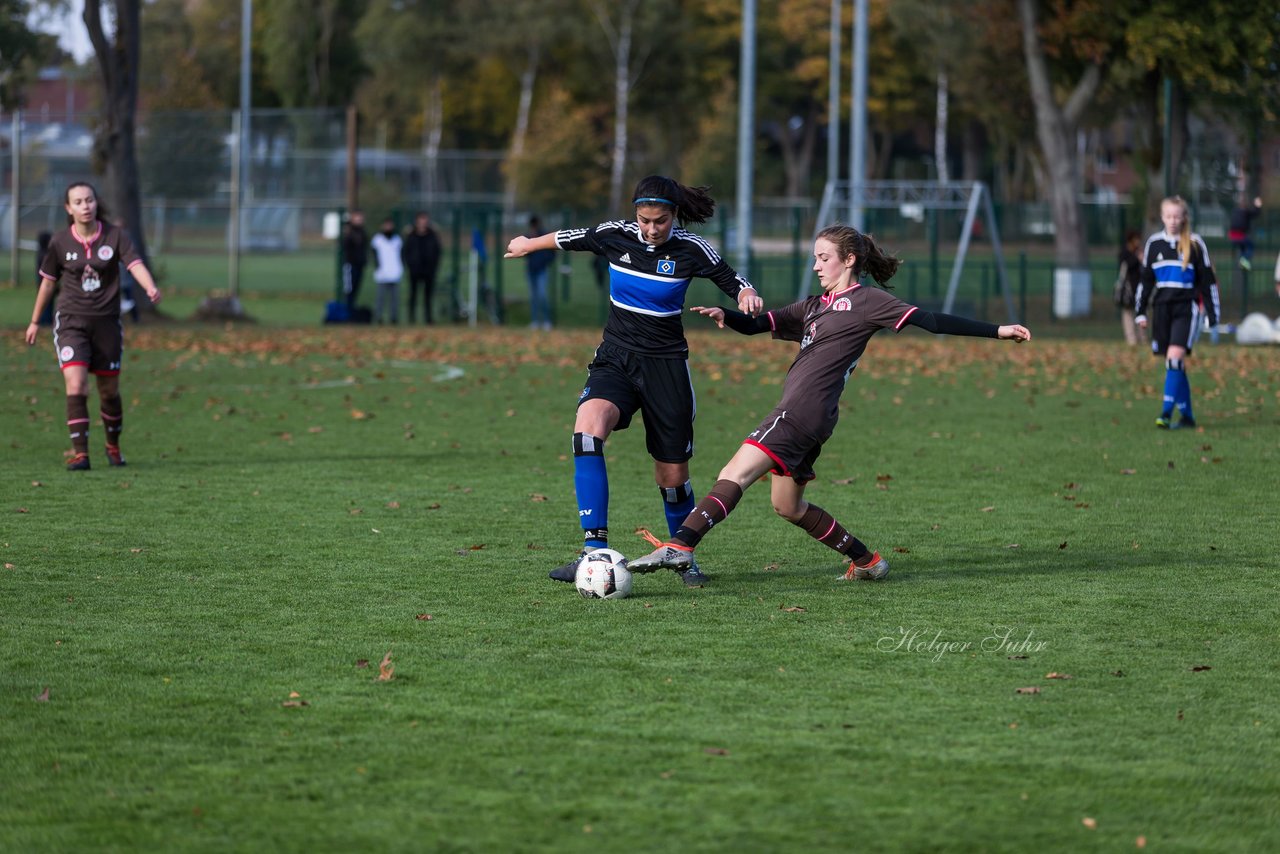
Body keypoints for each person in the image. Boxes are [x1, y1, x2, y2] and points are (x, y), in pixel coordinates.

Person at [628, 224, 1031, 585]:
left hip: (800, 410)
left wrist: (999, 330)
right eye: (815, 259)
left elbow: (932, 321)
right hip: (816, 418)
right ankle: (867, 560)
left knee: (736, 471)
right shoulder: (812, 306)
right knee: (787, 505)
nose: (817, 266)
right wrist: (726, 314)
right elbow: (759, 323)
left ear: (849, 260)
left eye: (824, 258)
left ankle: (681, 545)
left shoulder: (868, 301)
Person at [504, 175, 763, 586]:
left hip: (666, 368)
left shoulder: (691, 248)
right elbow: (568, 238)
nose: (651, 228)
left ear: (674, 216)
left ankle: (683, 555)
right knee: (587, 433)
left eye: (660, 220)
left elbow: (733, 279)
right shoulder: (615, 235)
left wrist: (746, 295)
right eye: (644, 219)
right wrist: (527, 244)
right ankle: (593, 553)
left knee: (671, 477)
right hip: (615, 359)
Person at [24, 181, 161, 470]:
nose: (85, 206)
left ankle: (113, 445)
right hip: (71, 322)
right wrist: (35, 321)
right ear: (68, 208)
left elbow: (134, 263)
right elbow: (48, 283)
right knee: (76, 384)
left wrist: (149, 287)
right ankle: (80, 454)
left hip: (107, 324)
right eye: (78, 202)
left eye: (89, 200)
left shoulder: (115, 236)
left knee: (109, 391)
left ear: (96, 203)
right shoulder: (60, 242)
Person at [1134, 196, 1220, 430]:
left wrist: (1213, 315)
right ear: (1162, 217)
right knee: (1174, 364)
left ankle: (1165, 413)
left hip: (1187, 308)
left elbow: (1207, 282)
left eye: (1177, 216)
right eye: (1169, 216)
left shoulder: (1195, 243)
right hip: (1162, 309)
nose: (1173, 221)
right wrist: (1140, 312)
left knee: (1174, 359)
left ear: (1184, 218)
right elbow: (1145, 282)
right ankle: (1188, 417)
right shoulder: (1154, 244)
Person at [402, 212, 442, 324]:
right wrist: (410, 265)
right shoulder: (411, 236)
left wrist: (434, 266)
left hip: (429, 270)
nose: (422, 223)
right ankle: (411, 318)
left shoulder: (432, 236)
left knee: (428, 296)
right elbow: (406, 252)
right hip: (414, 270)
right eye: (420, 220)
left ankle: (428, 318)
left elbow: (437, 252)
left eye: (424, 220)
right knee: (413, 294)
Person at [523, 215, 556, 330]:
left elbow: (552, 252)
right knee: (533, 297)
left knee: (542, 296)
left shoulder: (544, 236)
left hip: (542, 270)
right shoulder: (528, 236)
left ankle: (547, 321)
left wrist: (546, 262)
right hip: (531, 270)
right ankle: (535, 321)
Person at [370, 217, 404, 324]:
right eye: (386, 225)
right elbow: (374, 255)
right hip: (382, 273)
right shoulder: (377, 239)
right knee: (380, 298)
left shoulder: (397, 239)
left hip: (395, 272)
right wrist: (378, 267)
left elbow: (402, 255)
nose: (388, 227)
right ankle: (378, 317)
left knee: (395, 299)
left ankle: (394, 318)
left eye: (390, 225)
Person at [1114, 229, 1143, 346]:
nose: (1138, 242)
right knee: (1128, 314)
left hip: (1139, 287)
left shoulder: (1139, 251)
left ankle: (1142, 337)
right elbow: (1126, 266)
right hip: (1128, 288)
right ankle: (1131, 339)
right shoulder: (1125, 253)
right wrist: (1137, 259)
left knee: (1141, 312)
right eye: (1136, 239)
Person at [340, 210, 369, 312]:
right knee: (349, 289)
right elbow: (346, 246)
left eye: (360, 219)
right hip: (350, 264)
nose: (359, 221)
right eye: (356, 218)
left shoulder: (363, 233)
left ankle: (352, 311)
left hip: (360, 264)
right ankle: (347, 311)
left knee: (356, 288)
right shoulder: (348, 232)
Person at [1227, 195, 1262, 270]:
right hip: (1240, 236)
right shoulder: (1245, 211)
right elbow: (1255, 213)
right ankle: (1244, 260)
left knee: (1243, 248)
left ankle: (1243, 261)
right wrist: (1258, 206)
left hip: (1232, 236)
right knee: (1251, 246)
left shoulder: (1234, 211)